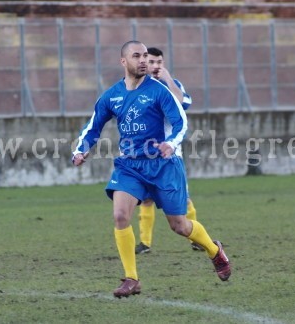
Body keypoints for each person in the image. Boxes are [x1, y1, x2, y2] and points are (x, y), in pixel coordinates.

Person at [72, 40, 231, 298]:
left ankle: (215, 251)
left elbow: (181, 122)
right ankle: (131, 279)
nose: (143, 60)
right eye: (137, 56)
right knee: (121, 216)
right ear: (124, 61)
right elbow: (93, 126)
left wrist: (170, 143)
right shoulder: (111, 95)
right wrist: (81, 149)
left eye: (146, 55)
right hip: (130, 166)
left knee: (179, 226)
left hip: (163, 165)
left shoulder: (159, 91)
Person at [135, 46, 204, 254]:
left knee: (183, 199)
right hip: (144, 154)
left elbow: (182, 103)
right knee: (146, 198)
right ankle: (145, 243)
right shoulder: (137, 86)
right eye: (152, 62)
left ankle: (196, 239)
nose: (155, 66)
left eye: (159, 63)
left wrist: (168, 79)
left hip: (169, 153)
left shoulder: (173, 85)